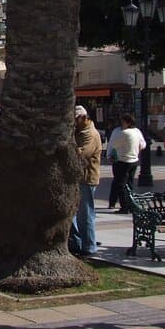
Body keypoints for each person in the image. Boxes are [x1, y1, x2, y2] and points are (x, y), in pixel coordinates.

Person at [69, 105, 101, 256]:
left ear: (83, 117)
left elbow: (82, 154)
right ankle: (77, 242)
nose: (74, 122)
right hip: (77, 178)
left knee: (86, 214)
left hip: (87, 178)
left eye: (76, 119)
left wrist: (69, 148)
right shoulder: (78, 132)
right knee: (74, 214)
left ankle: (89, 246)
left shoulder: (91, 134)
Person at [109, 113, 145, 212]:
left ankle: (124, 206)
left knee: (121, 184)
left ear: (128, 122)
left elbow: (114, 145)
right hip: (133, 160)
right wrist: (135, 149)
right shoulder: (136, 131)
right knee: (129, 183)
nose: (121, 124)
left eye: (123, 122)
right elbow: (143, 144)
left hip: (122, 161)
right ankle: (129, 203)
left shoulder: (124, 133)